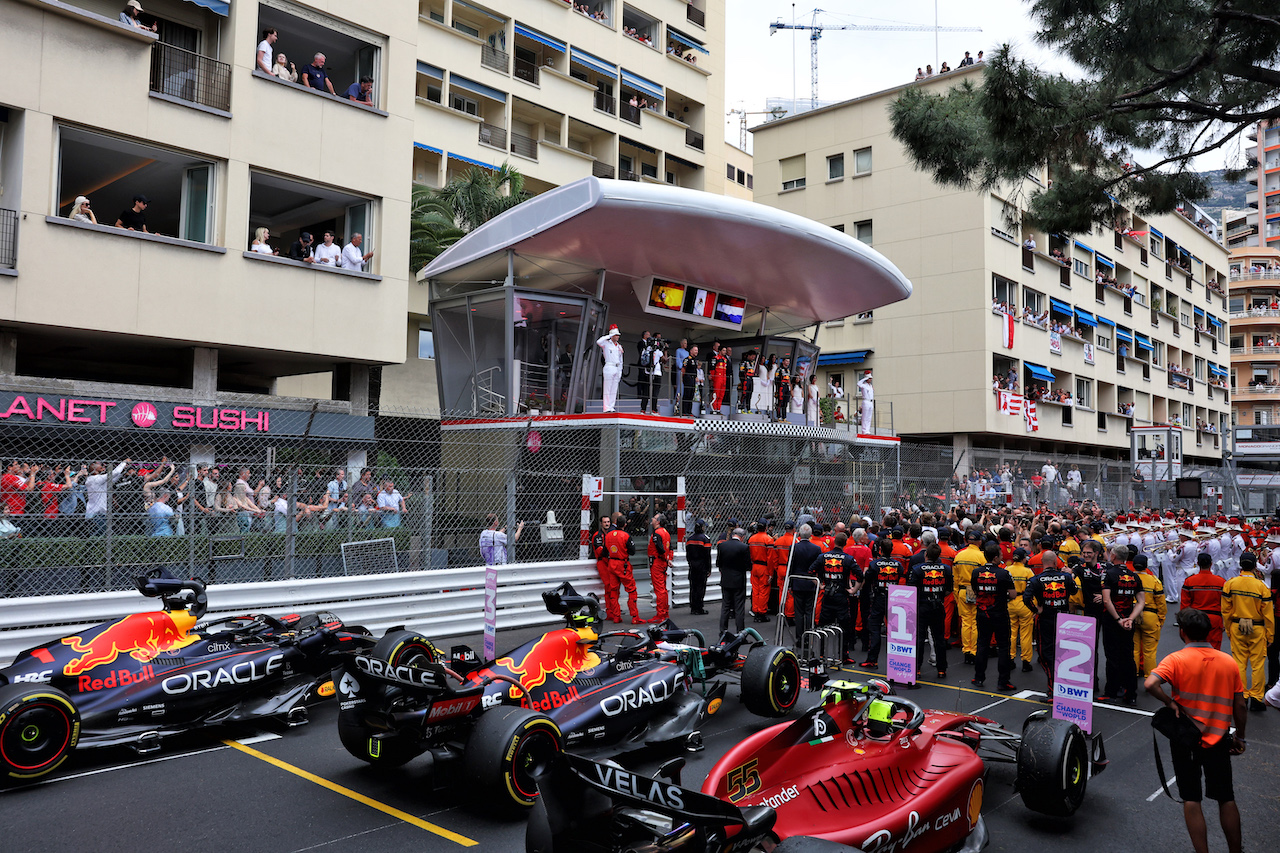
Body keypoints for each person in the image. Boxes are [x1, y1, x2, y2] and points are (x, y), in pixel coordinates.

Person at [1145, 609, 1246, 853]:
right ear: (1209, 632)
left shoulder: (1176, 659)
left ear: (1182, 632)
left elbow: (1150, 683)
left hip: (1187, 740)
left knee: (1192, 798)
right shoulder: (1228, 662)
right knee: (1226, 797)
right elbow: (1240, 705)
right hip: (1219, 738)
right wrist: (1239, 736)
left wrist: (1169, 703)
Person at [1220, 552, 1274, 711]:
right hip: (1257, 628)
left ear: (1240, 565)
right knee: (1258, 664)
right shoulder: (1262, 586)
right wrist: (1270, 635)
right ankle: (1257, 698)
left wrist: (1229, 629)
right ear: (1255, 565)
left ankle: (1241, 695)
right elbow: (1268, 614)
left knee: (1239, 662)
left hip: (1237, 626)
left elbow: (1226, 610)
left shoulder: (1230, 584)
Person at [1024, 550, 1078, 696]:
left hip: (1046, 620)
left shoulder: (1036, 579)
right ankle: (1065, 685)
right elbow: (1074, 591)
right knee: (1065, 653)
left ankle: (1054, 688)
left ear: (1042, 562)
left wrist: (1036, 609)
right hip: (1064, 620)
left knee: (1045, 654)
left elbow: (1026, 598)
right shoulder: (1066, 577)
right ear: (1055, 562)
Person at [810, 531, 863, 663]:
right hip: (841, 597)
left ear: (834, 543)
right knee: (843, 626)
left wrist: (820, 585)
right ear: (845, 544)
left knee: (823, 626)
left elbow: (810, 572)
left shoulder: (823, 557)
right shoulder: (848, 558)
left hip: (827, 596)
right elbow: (860, 576)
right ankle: (843, 655)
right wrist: (853, 590)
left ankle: (821, 654)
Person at [1101, 548, 1145, 704]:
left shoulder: (1109, 573)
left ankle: (1111, 691)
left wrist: (1118, 619)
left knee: (1112, 656)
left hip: (1112, 620)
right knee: (1128, 656)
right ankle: (1130, 693)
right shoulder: (1134, 575)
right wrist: (1130, 618)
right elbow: (1141, 601)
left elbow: (1106, 600)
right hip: (1128, 620)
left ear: (1113, 556)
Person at [971, 542, 1016, 691]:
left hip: (982, 612)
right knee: (1003, 646)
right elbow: (1013, 594)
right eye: (1001, 555)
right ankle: (1003, 681)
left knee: (982, 644)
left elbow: (975, 589)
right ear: (996, 557)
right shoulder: (1004, 573)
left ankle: (978, 678)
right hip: (999, 613)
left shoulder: (976, 572)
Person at [862, 537, 905, 669]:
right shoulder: (898, 565)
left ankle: (872, 660)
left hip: (879, 598)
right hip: (894, 598)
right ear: (891, 550)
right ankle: (899, 662)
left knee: (875, 628)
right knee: (896, 631)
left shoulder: (875, 564)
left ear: (880, 550)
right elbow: (902, 577)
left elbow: (868, 579)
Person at [911, 543, 952, 678]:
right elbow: (949, 589)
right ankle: (942, 670)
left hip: (922, 606)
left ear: (926, 555)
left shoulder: (917, 569)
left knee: (920, 639)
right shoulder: (946, 569)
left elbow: (911, 589)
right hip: (938, 606)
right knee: (939, 638)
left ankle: (917, 669)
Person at [606, 511, 644, 624]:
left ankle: (616, 616)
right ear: (625, 525)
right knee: (631, 590)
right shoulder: (625, 536)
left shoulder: (608, 535)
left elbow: (604, 551)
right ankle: (634, 616)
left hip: (611, 564)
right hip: (623, 565)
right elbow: (632, 552)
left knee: (613, 591)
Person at [952, 528, 984, 663]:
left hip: (962, 590)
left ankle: (966, 650)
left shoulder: (959, 555)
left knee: (965, 621)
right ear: (979, 542)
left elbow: (955, 578)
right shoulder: (981, 557)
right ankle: (974, 650)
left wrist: (956, 595)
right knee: (975, 621)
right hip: (976, 591)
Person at [1133, 553, 1167, 678]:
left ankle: (1133, 673)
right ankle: (1149, 676)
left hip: (1132, 614)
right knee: (1150, 651)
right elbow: (1161, 604)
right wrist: (1161, 620)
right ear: (1146, 566)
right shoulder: (1154, 581)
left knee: (1134, 648)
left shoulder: (1129, 578)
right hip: (1150, 617)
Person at [1184, 552, 1227, 649]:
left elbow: (1185, 605)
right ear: (1211, 564)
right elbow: (1225, 604)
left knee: (1196, 649)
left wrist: (1184, 623)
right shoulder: (1221, 582)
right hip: (1215, 619)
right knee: (1214, 650)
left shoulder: (1189, 581)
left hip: (1196, 619)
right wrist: (1225, 621)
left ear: (1198, 564)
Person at [1006, 548, 1036, 672]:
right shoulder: (1028, 572)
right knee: (1026, 634)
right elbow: (1033, 589)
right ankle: (1026, 661)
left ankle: (1010, 659)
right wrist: (1034, 607)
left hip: (1010, 604)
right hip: (1024, 604)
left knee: (1012, 633)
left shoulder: (1007, 570)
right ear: (1024, 558)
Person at [717, 527, 751, 634]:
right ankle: (740, 632)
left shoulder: (722, 546)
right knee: (739, 607)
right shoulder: (744, 547)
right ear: (742, 537)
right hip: (738, 580)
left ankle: (723, 631)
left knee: (725, 606)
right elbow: (748, 566)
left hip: (726, 579)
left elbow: (719, 563)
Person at [84, 459, 130, 534]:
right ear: (94, 467)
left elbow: (113, 479)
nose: (102, 466)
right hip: (97, 515)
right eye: (100, 465)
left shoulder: (95, 480)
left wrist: (123, 470)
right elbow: (115, 473)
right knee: (100, 539)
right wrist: (124, 462)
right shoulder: (95, 479)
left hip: (96, 514)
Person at [647, 513, 672, 623]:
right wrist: (669, 558)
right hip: (662, 562)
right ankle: (665, 613)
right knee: (663, 589)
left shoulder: (657, 533)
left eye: (654, 518)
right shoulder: (666, 532)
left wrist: (665, 558)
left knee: (659, 589)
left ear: (658, 522)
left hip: (657, 562)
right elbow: (670, 548)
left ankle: (661, 614)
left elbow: (660, 549)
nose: (652, 519)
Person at [685, 521, 712, 615]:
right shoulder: (705, 539)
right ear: (702, 527)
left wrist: (690, 563)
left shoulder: (689, 539)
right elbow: (707, 555)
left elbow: (687, 554)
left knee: (693, 587)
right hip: (702, 566)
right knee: (700, 587)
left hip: (692, 565)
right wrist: (709, 569)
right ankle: (699, 608)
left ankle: (693, 607)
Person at [597, 325, 624, 413]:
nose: (617, 336)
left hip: (616, 367)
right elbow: (598, 341)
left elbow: (621, 360)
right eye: (616, 335)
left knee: (614, 389)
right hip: (609, 366)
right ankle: (606, 407)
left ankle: (611, 406)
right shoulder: (606, 343)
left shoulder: (619, 346)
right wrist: (609, 336)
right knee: (607, 388)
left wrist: (620, 371)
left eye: (618, 335)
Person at [680, 344, 699, 415]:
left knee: (691, 395)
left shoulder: (695, 360)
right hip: (688, 378)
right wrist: (683, 378)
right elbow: (683, 369)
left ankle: (689, 411)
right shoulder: (687, 359)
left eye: (697, 350)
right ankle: (684, 411)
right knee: (687, 394)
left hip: (693, 378)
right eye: (695, 350)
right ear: (691, 351)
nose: (696, 352)